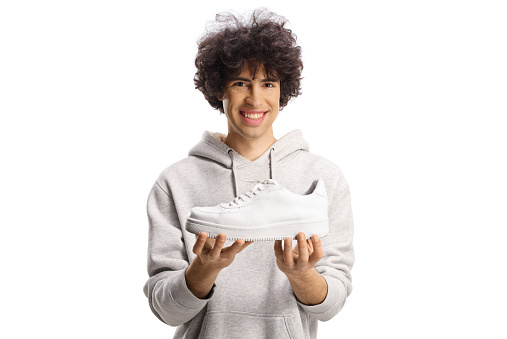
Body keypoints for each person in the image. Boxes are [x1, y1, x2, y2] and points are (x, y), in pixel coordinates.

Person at [143, 9, 354, 339]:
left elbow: (331, 305)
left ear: (282, 92)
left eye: (267, 83)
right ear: (219, 90)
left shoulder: (323, 176)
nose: (255, 99)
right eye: (241, 83)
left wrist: (301, 275)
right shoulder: (175, 182)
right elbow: (166, 311)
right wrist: (205, 269)